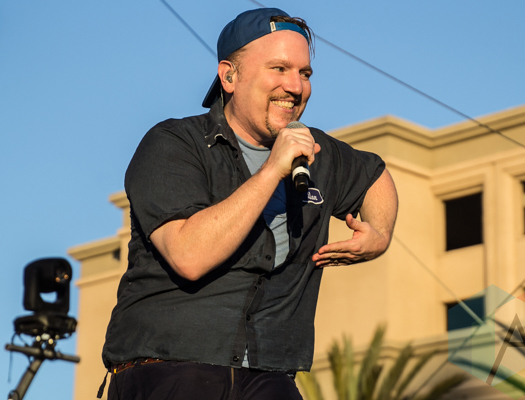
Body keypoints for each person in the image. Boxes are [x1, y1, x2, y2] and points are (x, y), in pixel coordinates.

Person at [101, 7, 398, 400]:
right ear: (229, 76)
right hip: (171, 368)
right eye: (279, 69)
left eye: (305, 73)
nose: (295, 86)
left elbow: (375, 176)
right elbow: (188, 256)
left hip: (270, 373)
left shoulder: (318, 153)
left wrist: (380, 233)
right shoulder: (175, 144)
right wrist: (272, 170)